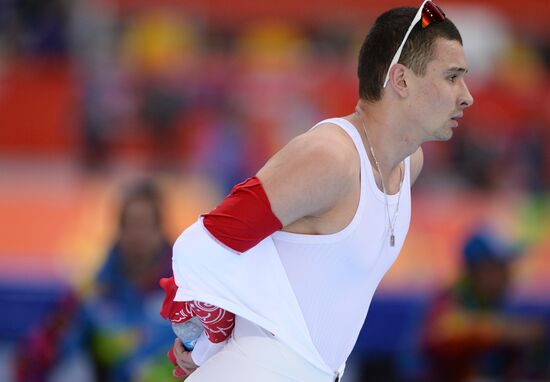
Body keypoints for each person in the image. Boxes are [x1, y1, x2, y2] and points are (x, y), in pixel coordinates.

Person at [168, 1, 474, 381]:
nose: (466, 95)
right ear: (401, 80)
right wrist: (204, 336)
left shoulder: (410, 165)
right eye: (451, 77)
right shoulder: (331, 158)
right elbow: (201, 244)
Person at [15, 180, 177, 382]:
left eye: (146, 224)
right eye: (130, 224)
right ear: (119, 229)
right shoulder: (90, 293)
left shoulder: (187, 291)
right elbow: (39, 354)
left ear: (161, 229)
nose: (138, 235)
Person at [422, 229, 548, 381]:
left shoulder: (494, 304)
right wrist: (502, 331)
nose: (508, 275)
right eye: (501, 268)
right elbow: (442, 330)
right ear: (480, 271)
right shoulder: (452, 299)